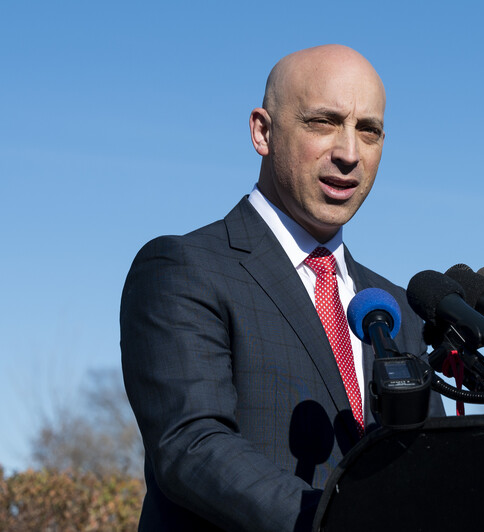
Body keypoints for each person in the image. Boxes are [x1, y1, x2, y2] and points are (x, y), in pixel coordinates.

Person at [120, 44, 444, 532]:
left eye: (368, 130)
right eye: (323, 122)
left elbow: (435, 465)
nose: (349, 153)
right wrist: (340, 521)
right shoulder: (183, 268)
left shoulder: (396, 308)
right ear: (263, 131)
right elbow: (192, 445)